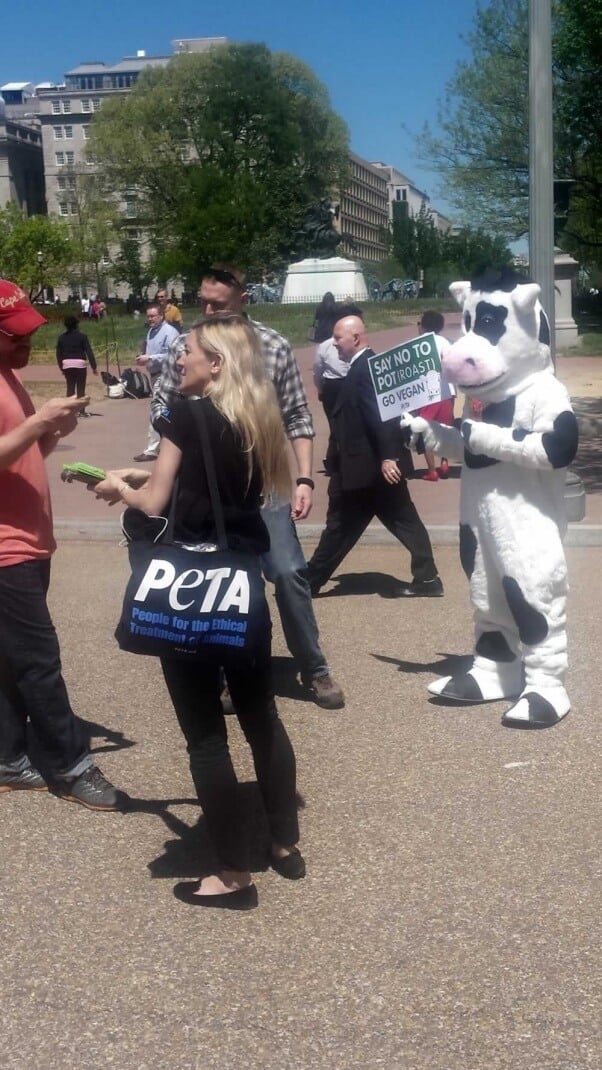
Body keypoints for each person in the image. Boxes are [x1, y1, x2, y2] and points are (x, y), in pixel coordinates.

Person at [93, 314, 304, 908]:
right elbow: (217, 486)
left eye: (185, 352)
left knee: (206, 735)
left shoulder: (182, 414)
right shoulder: (256, 420)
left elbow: (156, 503)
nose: (174, 360)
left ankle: (233, 873)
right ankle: (284, 841)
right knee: (262, 717)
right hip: (242, 587)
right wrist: (148, 474)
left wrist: (120, 489)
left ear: (215, 364)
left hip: (191, 589)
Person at [150, 265, 344, 710]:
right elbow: (163, 405)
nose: (207, 309)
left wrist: (303, 478)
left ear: (244, 298)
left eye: (217, 303)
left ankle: (314, 666)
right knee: (219, 577)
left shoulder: (272, 345)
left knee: (289, 572)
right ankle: (223, 669)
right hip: (206, 488)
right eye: (202, 300)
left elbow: (297, 414)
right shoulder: (186, 346)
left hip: (264, 483)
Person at [0, 278, 124, 810]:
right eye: (14, 336)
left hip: (28, 539)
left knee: (11, 661)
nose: (27, 344)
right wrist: (38, 423)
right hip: (7, 549)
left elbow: (20, 450)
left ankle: (7, 757)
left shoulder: (7, 374)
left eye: (29, 333)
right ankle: (72, 766)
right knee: (39, 660)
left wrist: (50, 431)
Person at [306, 315, 444, 598]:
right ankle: (428, 579)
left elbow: (380, 418)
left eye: (338, 338)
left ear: (355, 338)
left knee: (342, 526)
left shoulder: (366, 369)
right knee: (399, 522)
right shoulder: (366, 367)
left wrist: (387, 458)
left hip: (368, 469)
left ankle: (308, 581)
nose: (334, 344)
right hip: (370, 468)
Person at [133, 304, 179, 462]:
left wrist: (151, 358)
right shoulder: (152, 331)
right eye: (148, 316)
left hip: (165, 375)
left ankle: (152, 449)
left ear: (161, 316)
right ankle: (169, 441)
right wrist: (143, 357)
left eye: (153, 316)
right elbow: (151, 351)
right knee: (168, 411)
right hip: (154, 374)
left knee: (157, 410)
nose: (150, 319)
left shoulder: (170, 332)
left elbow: (173, 355)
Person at [414, 311, 456, 481]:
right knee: (444, 429)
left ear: (422, 325)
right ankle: (444, 462)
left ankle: (432, 470)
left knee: (426, 431)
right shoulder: (444, 342)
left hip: (426, 394)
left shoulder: (418, 344)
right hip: (446, 391)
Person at [56, 314, 98, 415]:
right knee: (81, 388)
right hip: (80, 363)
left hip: (67, 363)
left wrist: (61, 367)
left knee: (70, 388)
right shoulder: (82, 337)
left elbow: (58, 354)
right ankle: (81, 411)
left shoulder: (61, 338)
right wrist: (94, 367)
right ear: (76, 325)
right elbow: (89, 351)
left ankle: (70, 411)